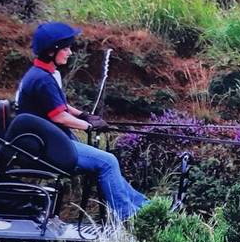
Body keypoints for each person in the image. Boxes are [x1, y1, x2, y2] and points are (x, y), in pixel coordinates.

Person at [16, 21, 148, 220]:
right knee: (108, 161)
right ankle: (129, 217)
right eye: (66, 48)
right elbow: (58, 116)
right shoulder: (42, 80)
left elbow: (61, 106)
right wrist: (88, 126)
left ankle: (144, 207)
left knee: (105, 162)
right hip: (49, 148)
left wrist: (84, 115)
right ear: (52, 51)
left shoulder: (42, 74)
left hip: (52, 141)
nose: (70, 52)